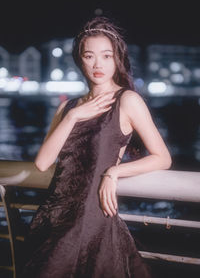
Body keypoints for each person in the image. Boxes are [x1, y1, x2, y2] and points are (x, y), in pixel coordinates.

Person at [20, 16, 172, 278]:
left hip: (92, 219)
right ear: (80, 60)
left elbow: (162, 158)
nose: (98, 64)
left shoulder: (127, 100)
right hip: (53, 217)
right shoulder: (67, 107)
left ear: (117, 59)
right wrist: (73, 116)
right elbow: (43, 163)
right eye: (89, 56)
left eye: (106, 56)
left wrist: (113, 172)